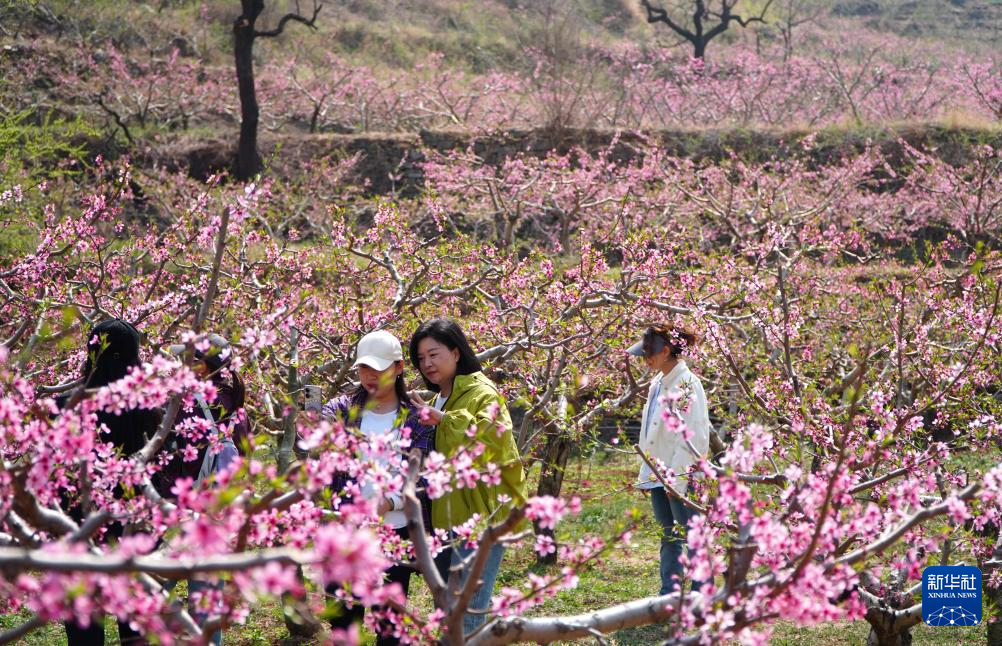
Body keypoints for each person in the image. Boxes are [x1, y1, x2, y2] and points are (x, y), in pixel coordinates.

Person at [408, 318, 527, 636]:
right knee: (448, 612)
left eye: (434, 354)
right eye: (421, 359)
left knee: (466, 616)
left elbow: (492, 438)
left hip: (480, 520)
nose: (427, 364)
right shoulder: (440, 398)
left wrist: (445, 420)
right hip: (450, 517)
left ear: (456, 353)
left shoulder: (481, 391)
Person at [317, 330, 435, 646]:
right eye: (364, 368)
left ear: (398, 368)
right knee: (344, 623)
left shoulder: (415, 417)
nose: (370, 376)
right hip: (346, 532)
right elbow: (321, 437)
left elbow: (422, 473)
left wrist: (391, 501)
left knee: (391, 628)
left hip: (394, 533)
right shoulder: (342, 409)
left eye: (379, 369)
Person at [61, 318, 159, 646]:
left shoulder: (69, 405)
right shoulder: (148, 406)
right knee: (136, 621)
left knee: (84, 622)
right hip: (132, 523)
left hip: (79, 524)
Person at [156, 333, 249, 646]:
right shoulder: (238, 406)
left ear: (208, 366)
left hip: (179, 506)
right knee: (207, 602)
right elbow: (244, 456)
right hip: (216, 514)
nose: (184, 363)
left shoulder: (184, 404)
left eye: (193, 359)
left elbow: (167, 454)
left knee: (152, 590)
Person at [628, 324, 710, 596]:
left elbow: (693, 437)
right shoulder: (658, 382)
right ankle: (670, 593)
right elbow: (651, 434)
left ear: (666, 350)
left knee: (691, 537)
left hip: (679, 475)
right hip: (659, 474)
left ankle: (702, 595)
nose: (645, 358)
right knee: (669, 536)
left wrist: (676, 483)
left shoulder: (687, 384)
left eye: (649, 352)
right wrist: (647, 475)